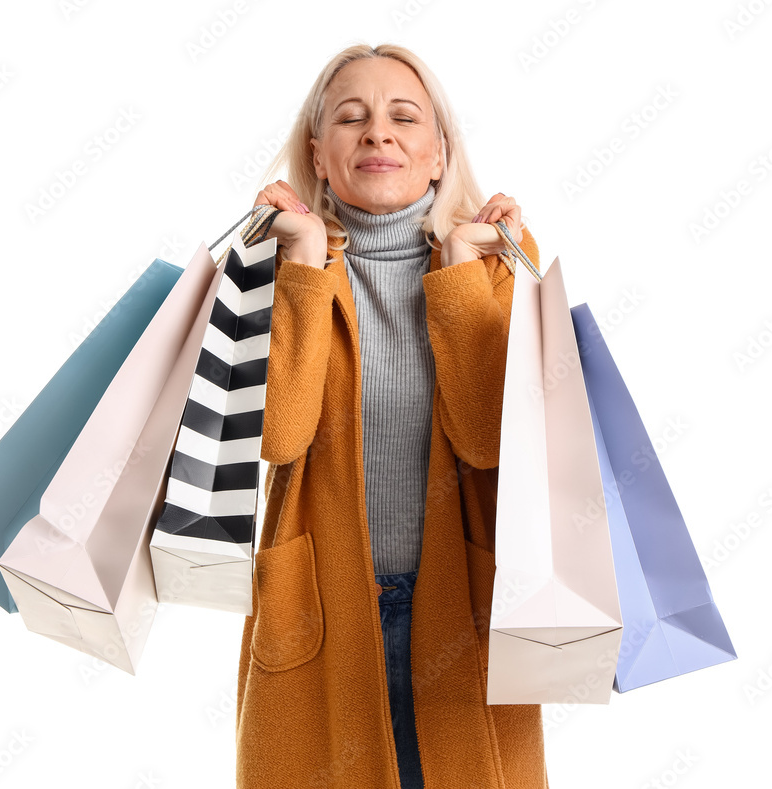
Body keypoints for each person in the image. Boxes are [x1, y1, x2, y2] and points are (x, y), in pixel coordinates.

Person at [234, 43, 548, 789]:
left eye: (404, 117)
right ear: (318, 153)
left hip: (459, 603)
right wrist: (306, 260)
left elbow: (483, 438)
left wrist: (460, 271)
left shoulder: (499, 259)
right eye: (351, 118)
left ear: (438, 153)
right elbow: (279, 435)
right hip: (323, 607)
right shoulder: (272, 261)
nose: (379, 133)